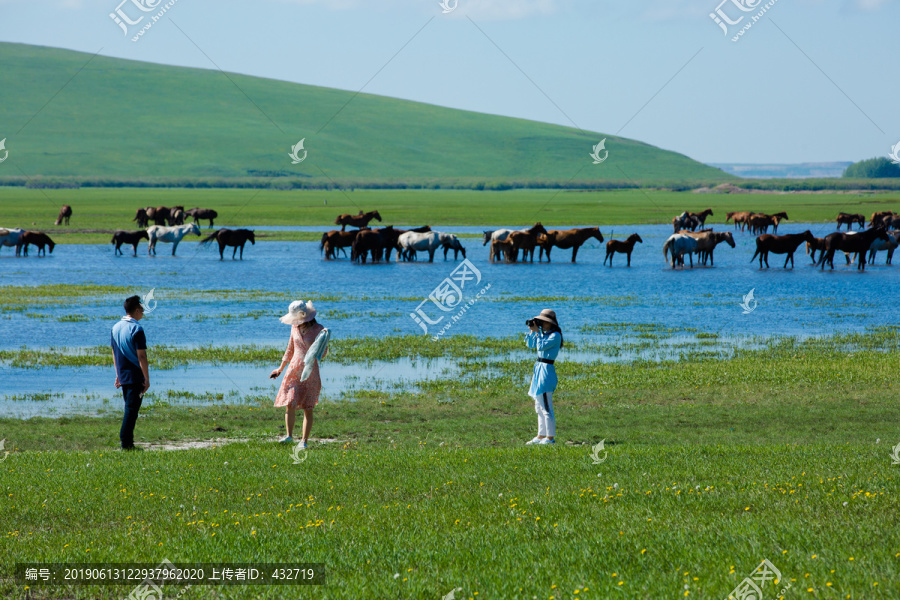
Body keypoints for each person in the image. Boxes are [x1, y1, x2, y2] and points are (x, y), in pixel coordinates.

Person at [271, 300, 330, 448]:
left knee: (308, 407)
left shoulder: (319, 329)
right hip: (293, 370)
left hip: (310, 371)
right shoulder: (294, 328)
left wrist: (324, 340)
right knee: (290, 402)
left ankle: (304, 441)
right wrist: (280, 368)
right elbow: (290, 349)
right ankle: (289, 436)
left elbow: (322, 355)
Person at [111, 296, 150, 450]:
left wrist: (118, 375)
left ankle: (128, 443)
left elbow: (114, 353)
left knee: (130, 408)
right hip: (135, 375)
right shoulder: (137, 328)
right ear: (136, 310)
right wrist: (146, 378)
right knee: (131, 411)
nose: (143, 312)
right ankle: (126, 443)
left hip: (123, 374)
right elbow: (141, 356)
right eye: (142, 309)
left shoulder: (115, 327)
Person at [524, 309, 563, 445]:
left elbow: (541, 346)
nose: (542, 323)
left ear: (550, 323)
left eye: (543, 321)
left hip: (546, 371)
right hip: (538, 369)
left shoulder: (555, 335)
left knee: (546, 407)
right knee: (538, 406)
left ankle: (550, 438)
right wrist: (532, 331)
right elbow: (530, 345)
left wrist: (538, 332)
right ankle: (541, 435)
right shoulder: (543, 333)